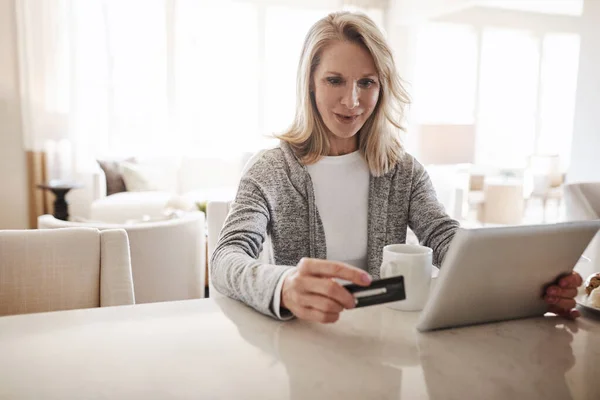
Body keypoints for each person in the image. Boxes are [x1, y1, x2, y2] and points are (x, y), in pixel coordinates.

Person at [211, 11, 582, 323]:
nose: (352, 100)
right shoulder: (270, 170)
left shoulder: (403, 171)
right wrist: (283, 285)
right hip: (301, 337)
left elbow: (444, 237)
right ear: (310, 83)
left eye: (367, 83)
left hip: (384, 335)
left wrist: (528, 283)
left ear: (382, 87)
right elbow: (227, 257)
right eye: (335, 80)